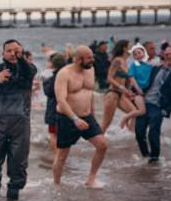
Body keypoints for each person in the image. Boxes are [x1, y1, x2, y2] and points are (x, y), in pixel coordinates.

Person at [0, 39, 36, 201]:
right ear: (2, 54)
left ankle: (13, 198)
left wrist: (21, 59)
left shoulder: (28, 69)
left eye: (17, 50)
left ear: (22, 52)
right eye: (9, 51)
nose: (13, 53)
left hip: (21, 123)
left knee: (18, 164)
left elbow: (28, 72)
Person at [53, 46, 108, 188]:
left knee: (102, 145)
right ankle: (57, 185)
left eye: (92, 57)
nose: (92, 60)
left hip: (87, 117)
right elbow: (61, 100)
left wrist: (93, 116)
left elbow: (89, 94)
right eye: (89, 57)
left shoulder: (90, 69)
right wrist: (75, 119)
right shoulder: (64, 73)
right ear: (78, 59)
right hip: (67, 118)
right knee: (62, 156)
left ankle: (91, 179)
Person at [135, 46, 171, 163]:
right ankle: (145, 155)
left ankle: (154, 158)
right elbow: (143, 83)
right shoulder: (154, 69)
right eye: (167, 54)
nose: (169, 57)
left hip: (158, 107)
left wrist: (165, 111)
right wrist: (134, 93)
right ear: (163, 55)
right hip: (144, 104)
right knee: (139, 132)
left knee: (153, 132)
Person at [100, 39, 137, 133]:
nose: (132, 48)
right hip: (112, 94)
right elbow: (109, 78)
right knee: (105, 125)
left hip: (121, 95)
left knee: (136, 113)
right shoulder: (117, 60)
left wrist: (129, 92)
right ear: (124, 48)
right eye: (130, 46)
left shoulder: (125, 62)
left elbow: (126, 81)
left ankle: (131, 137)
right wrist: (121, 87)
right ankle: (95, 143)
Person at [42, 53, 67, 152]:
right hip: (67, 109)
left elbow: (48, 92)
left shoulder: (53, 77)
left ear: (53, 64)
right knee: (63, 134)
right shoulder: (68, 75)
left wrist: (44, 81)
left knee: (53, 134)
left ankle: (56, 156)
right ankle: (62, 155)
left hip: (54, 109)